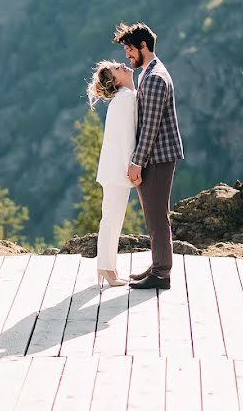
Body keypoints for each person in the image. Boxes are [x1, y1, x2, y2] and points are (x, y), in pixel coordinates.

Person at [113, 22, 183, 290]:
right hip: (156, 156)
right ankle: (157, 266)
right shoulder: (151, 72)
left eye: (130, 50)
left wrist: (136, 162)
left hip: (157, 157)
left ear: (144, 46)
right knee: (154, 213)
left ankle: (162, 273)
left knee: (156, 215)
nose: (127, 56)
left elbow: (150, 126)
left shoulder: (153, 78)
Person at [87, 60, 138, 289]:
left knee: (111, 218)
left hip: (113, 168)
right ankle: (107, 269)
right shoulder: (127, 98)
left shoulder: (124, 98)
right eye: (118, 68)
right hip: (118, 169)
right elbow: (128, 137)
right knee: (112, 220)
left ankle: (108, 267)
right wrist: (133, 166)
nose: (123, 66)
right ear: (116, 80)